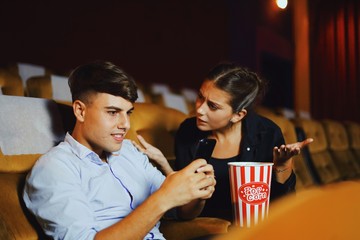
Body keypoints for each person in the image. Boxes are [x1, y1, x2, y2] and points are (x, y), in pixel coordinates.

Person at [23, 61, 216, 240]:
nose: (125, 124)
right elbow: (164, 199)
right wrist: (163, 199)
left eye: (128, 113)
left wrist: (197, 192)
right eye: (113, 112)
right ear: (80, 111)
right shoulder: (54, 168)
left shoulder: (129, 152)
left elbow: (181, 210)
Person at [133, 62, 313, 222]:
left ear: (238, 115)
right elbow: (185, 205)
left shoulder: (266, 133)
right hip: (207, 227)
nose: (199, 109)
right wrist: (166, 166)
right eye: (200, 97)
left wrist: (282, 165)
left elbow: (283, 204)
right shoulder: (188, 131)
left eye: (212, 106)